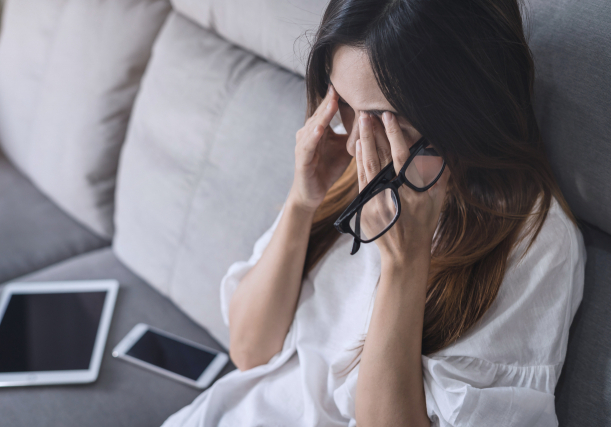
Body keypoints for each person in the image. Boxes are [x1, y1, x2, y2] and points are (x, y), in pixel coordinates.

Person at [162, 0, 586, 425]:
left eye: (385, 122)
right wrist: (302, 202)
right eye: (344, 104)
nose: (352, 144)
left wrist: (403, 262)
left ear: (462, 111)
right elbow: (249, 350)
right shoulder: (354, 168)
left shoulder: (534, 242)